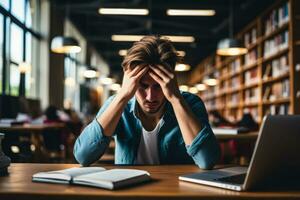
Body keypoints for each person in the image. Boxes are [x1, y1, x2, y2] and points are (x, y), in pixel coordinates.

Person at [74, 35, 220, 169]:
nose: (150, 97)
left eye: (158, 86)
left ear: (170, 80)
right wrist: (123, 96)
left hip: (176, 191)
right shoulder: (117, 103)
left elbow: (207, 161)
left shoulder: (190, 103)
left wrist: (176, 99)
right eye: (142, 86)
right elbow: (83, 156)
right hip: (128, 189)